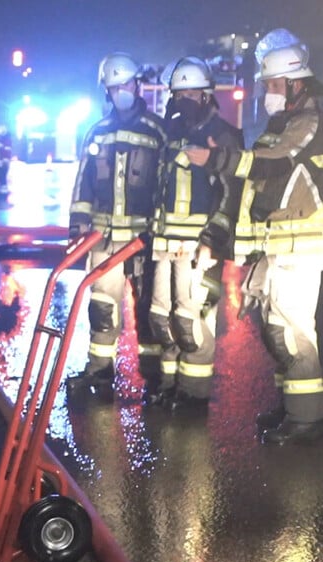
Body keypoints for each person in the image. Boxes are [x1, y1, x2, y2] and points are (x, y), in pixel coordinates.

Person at [185, 30, 323, 444]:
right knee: (273, 328)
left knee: (293, 331)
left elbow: (274, 165)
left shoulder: (309, 124)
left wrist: (218, 158)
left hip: (302, 247)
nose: (268, 92)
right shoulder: (280, 125)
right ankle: (293, 406)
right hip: (277, 246)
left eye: (275, 85)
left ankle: (306, 420)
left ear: (296, 84)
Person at [66, 52, 168, 400]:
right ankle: (99, 371)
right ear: (106, 92)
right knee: (102, 305)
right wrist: (78, 224)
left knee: (147, 309)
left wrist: (160, 230)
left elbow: (166, 185)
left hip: (143, 240)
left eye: (126, 83)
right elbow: (84, 184)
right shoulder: (98, 132)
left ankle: (153, 378)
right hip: (104, 239)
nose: (122, 90)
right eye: (115, 86)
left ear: (137, 84)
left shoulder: (157, 131)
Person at [146, 57, 244, 414]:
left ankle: (194, 395)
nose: (184, 98)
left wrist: (212, 240)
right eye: (179, 93)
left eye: (192, 92)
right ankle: (169, 385)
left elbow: (232, 193)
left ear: (206, 95)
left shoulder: (224, 136)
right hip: (164, 244)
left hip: (200, 247)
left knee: (192, 322)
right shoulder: (170, 135)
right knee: (161, 317)